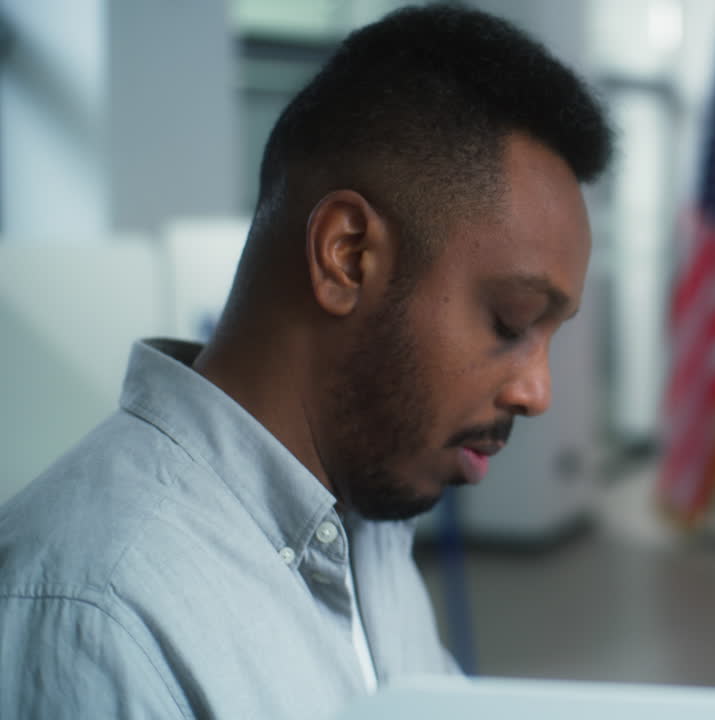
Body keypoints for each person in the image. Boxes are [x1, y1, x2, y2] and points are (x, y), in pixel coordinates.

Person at [0, 6, 612, 719]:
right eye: (509, 321)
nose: (537, 391)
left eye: (551, 335)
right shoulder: (100, 614)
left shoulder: (366, 518)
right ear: (347, 256)